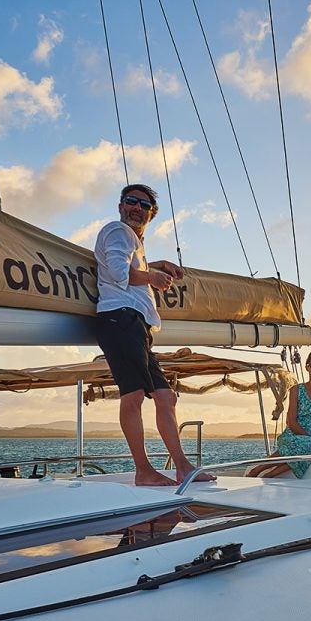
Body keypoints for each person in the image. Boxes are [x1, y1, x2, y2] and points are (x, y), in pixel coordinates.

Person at [94, 183, 215, 487]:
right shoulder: (118, 231)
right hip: (119, 318)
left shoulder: (133, 241)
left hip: (136, 324)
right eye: (131, 201)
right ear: (121, 206)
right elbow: (119, 273)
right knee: (133, 395)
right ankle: (143, 470)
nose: (136, 207)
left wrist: (154, 264)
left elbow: (126, 265)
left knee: (165, 396)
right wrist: (153, 276)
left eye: (143, 205)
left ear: (151, 214)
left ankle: (183, 466)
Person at [247, 351, 311, 478]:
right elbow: (291, 422)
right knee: (310, 446)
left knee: (310, 447)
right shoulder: (296, 390)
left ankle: (267, 475)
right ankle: (258, 469)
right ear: (307, 367)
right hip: (294, 433)